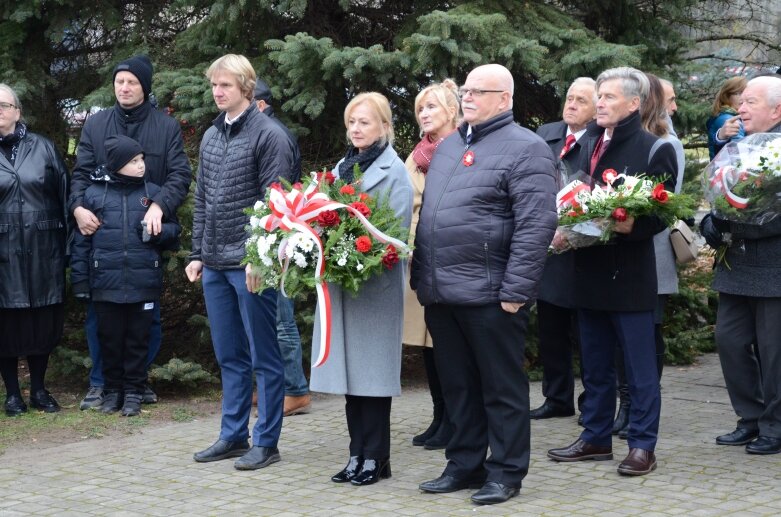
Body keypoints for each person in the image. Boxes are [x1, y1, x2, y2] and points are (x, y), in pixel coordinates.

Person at [412, 64, 557, 505]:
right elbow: (432, 218)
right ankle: (464, 464)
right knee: (458, 387)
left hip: (493, 296)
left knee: (502, 388)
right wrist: (423, 279)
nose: (469, 97)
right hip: (442, 293)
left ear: (505, 99)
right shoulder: (452, 144)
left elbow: (536, 226)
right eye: (467, 91)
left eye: (480, 91)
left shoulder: (526, 148)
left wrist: (516, 291)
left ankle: (506, 472)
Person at [547, 67, 677, 476]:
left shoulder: (656, 149)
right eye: (598, 96)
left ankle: (642, 445)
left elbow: (661, 216)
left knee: (638, 370)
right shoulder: (585, 144)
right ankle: (596, 437)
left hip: (631, 277)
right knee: (596, 366)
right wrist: (564, 226)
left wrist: (629, 225)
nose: (599, 102)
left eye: (608, 97)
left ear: (634, 104)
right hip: (587, 272)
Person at [187, 54, 295, 470]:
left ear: (246, 88)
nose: (218, 91)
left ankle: (266, 442)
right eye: (214, 84)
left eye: (226, 85)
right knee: (230, 355)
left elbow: (276, 202)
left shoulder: (270, 135)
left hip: (251, 265)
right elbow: (201, 200)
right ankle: (233, 435)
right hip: (214, 264)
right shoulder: (213, 135)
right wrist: (197, 254)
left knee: (264, 356)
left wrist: (259, 257)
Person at [70, 55, 192, 410]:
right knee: (101, 315)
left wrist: (159, 205)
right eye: (119, 81)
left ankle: (138, 383)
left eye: (132, 82)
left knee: (146, 317)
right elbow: (80, 174)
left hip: (145, 237)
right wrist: (78, 209)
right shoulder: (96, 125)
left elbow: (179, 176)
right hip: (104, 237)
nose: (124, 88)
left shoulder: (165, 127)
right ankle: (102, 384)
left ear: (145, 87)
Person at [310, 92, 412, 486]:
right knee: (352, 380)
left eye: (365, 122)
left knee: (373, 380)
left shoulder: (395, 171)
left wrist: (355, 251)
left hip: (375, 288)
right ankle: (356, 454)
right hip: (343, 287)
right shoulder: (342, 167)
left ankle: (378, 459)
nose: (356, 129)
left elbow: (396, 235)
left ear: (384, 126)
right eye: (352, 121)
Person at [71, 136, 181, 416]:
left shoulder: (152, 193)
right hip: (105, 284)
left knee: (137, 340)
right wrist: (82, 281)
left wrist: (158, 232)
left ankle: (133, 392)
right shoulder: (94, 195)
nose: (141, 165)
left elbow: (174, 234)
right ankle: (112, 392)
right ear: (118, 164)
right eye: (134, 161)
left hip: (143, 284)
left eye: (142, 159)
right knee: (109, 339)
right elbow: (82, 242)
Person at [700, 75, 781, 455]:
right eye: (741, 102)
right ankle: (749, 418)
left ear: (776, 110)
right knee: (729, 341)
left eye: (749, 102)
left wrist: (741, 219)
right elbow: (720, 196)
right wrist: (711, 220)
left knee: (774, 350)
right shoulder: (740, 147)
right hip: (737, 264)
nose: (740, 109)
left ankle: (775, 425)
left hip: (774, 267)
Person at [610, 72, 687, 439]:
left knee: (645, 333)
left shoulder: (663, 143)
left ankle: (640, 407)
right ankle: (626, 404)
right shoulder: (614, 139)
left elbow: (668, 200)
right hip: (620, 252)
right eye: (669, 99)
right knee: (622, 337)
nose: (674, 107)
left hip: (650, 250)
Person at [0, 83, 69, 416]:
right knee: (6, 323)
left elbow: (65, 196)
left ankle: (40, 389)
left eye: (3, 105)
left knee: (42, 322)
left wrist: (67, 248)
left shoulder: (43, 147)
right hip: (3, 254)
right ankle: (13, 394)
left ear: (17, 111)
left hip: (44, 250)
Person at [531, 77, 596, 421]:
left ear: (597, 108)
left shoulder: (600, 139)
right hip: (548, 246)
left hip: (585, 247)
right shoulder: (547, 133)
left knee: (585, 332)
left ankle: (592, 402)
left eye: (581, 100)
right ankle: (556, 398)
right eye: (569, 98)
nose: (571, 104)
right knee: (551, 328)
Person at [403, 79, 459, 449]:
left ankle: (456, 419)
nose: (424, 113)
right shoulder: (418, 153)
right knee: (427, 345)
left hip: (447, 259)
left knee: (448, 345)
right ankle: (440, 416)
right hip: (415, 258)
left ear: (452, 111)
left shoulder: (459, 150)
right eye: (421, 108)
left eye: (432, 107)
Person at [253, 78, 310, 417]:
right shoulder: (267, 129)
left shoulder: (274, 133)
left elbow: (277, 190)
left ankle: (296, 390)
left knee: (281, 318)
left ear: (259, 103)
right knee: (267, 318)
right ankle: (270, 387)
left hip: (278, 234)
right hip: (266, 234)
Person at [706, 77, 747, 159]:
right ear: (726, 96)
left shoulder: (728, 114)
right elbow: (739, 149)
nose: (742, 98)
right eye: (738, 93)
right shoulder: (727, 118)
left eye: (745, 93)